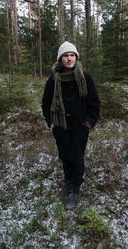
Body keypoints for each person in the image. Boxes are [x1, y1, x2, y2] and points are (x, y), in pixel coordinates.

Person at [42, 41, 100, 210]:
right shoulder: (53, 79)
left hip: (80, 127)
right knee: (65, 155)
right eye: (66, 56)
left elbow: (94, 103)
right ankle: (68, 181)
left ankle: (75, 188)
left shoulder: (85, 78)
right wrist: (50, 121)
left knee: (77, 157)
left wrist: (88, 122)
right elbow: (45, 103)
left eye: (72, 55)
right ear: (60, 59)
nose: (69, 59)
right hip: (60, 127)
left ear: (76, 57)